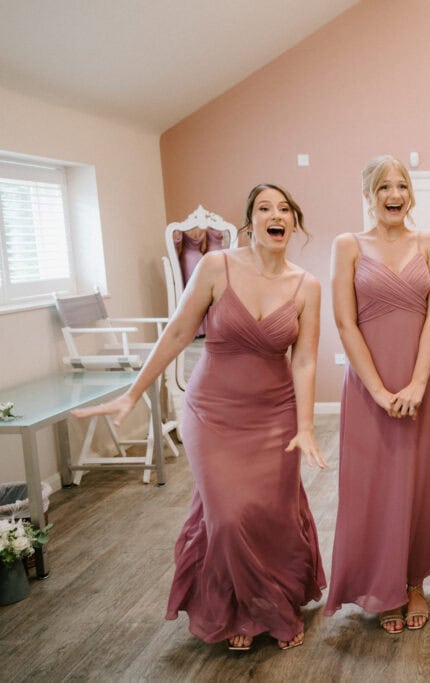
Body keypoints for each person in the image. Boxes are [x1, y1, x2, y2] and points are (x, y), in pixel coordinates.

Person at [73, 183, 327, 651]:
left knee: (271, 514)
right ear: (250, 223)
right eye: (265, 208)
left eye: (285, 208)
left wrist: (307, 426)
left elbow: (305, 360)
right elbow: (176, 333)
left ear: (294, 222)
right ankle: (242, 610)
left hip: (275, 416)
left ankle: (273, 602)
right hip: (212, 413)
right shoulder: (216, 267)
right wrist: (134, 394)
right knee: (227, 516)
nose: (276, 215)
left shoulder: (306, 285)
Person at [324, 155, 430, 634]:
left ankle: (414, 580)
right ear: (369, 194)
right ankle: (382, 585)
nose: (394, 194)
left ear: (411, 193)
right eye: (383, 186)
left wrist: (419, 383)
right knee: (375, 486)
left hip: (422, 378)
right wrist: (378, 389)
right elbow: (344, 321)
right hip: (368, 384)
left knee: (420, 483)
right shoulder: (348, 245)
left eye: (401, 185)